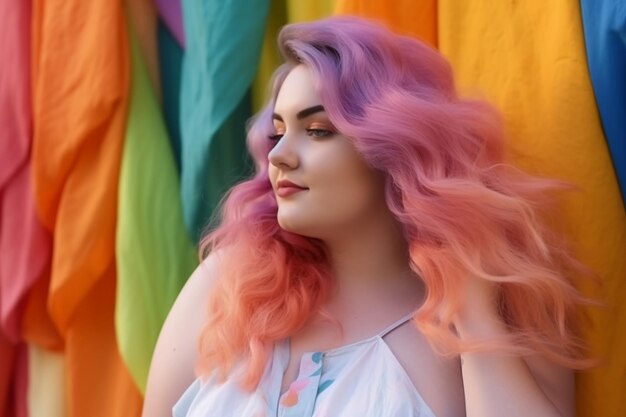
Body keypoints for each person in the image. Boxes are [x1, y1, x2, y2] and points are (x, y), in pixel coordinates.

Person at [142, 16, 592, 417]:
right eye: (278, 132)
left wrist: (473, 311)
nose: (278, 155)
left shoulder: (505, 300)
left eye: (317, 131)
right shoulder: (226, 285)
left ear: (396, 146)